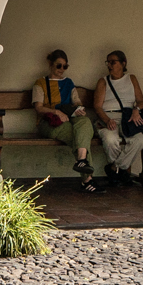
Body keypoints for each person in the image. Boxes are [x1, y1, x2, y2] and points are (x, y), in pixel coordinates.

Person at [33, 48, 106, 190]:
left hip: (70, 117)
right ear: (51, 64)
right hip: (50, 122)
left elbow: (76, 101)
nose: (62, 69)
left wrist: (79, 109)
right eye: (59, 65)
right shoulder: (40, 83)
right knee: (77, 137)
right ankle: (87, 179)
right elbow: (39, 107)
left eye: (65, 66)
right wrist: (56, 112)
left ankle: (82, 162)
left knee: (85, 123)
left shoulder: (68, 83)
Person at [93, 49, 143, 189]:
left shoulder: (131, 79)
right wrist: (107, 120)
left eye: (113, 62)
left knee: (140, 139)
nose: (110, 65)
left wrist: (136, 110)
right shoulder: (103, 81)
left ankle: (114, 168)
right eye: (108, 62)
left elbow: (141, 100)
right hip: (109, 117)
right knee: (110, 139)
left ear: (123, 63)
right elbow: (97, 106)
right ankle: (121, 173)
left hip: (128, 117)